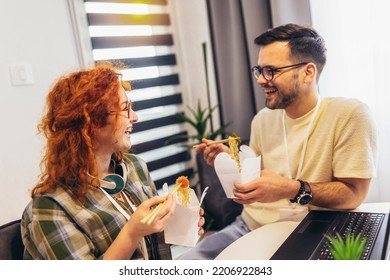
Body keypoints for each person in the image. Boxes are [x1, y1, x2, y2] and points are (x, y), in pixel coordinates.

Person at [179, 23, 377, 260]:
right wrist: (231, 162)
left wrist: (291, 188)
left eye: (271, 70)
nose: (262, 80)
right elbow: (257, 181)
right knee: (184, 265)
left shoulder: (349, 114)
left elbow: (354, 194)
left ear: (308, 72)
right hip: (249, 226)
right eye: (259, 70)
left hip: (314, 231)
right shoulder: (263, 119)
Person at [21, 63, 205, 260]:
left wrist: (174, 225)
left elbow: (153, 250)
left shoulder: (135, 168)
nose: (134, 117)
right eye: (125, 109)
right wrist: (132, 233)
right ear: (92, 122)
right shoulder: (50, 209)